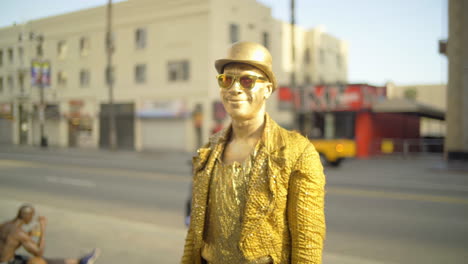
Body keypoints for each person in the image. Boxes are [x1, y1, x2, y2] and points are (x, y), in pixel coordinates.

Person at [181, 41, 326, 264]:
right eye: (227, 79)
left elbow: (307, 245)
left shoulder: (298, 152)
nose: (235, 88)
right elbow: (195, 234)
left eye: (247, 80)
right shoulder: (209, 151)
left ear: (267, 89)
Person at [0, 204, 100, 264]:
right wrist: (43, 228)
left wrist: (29, 234)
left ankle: (79, 261)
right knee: (39, 261)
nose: (32, 219)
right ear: (27, 217)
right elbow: (39, 252)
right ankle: (78, 262)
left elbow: (9, 243)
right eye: (32, 216)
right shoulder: (20, 233)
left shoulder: (4, 226)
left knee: (46, 260)